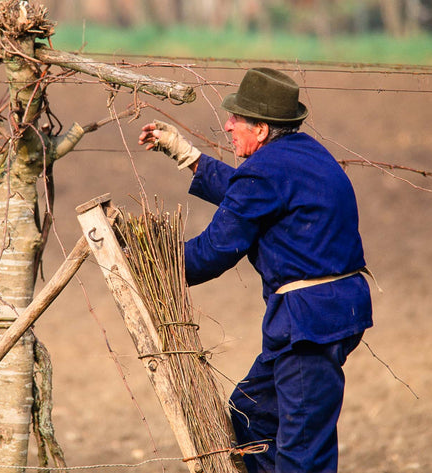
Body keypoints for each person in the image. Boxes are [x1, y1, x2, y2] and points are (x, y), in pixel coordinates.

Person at [138, 67, 373, 473]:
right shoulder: (303, 154)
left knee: (303, 453)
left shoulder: (265, 172)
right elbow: (251, 193)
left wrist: (151, 265)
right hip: (326, 315)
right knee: (254, 416)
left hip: (308, 326)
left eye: (237, 119)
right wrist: (185, 154)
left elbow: (214, 250)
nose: (227, 125)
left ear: (261, 130)